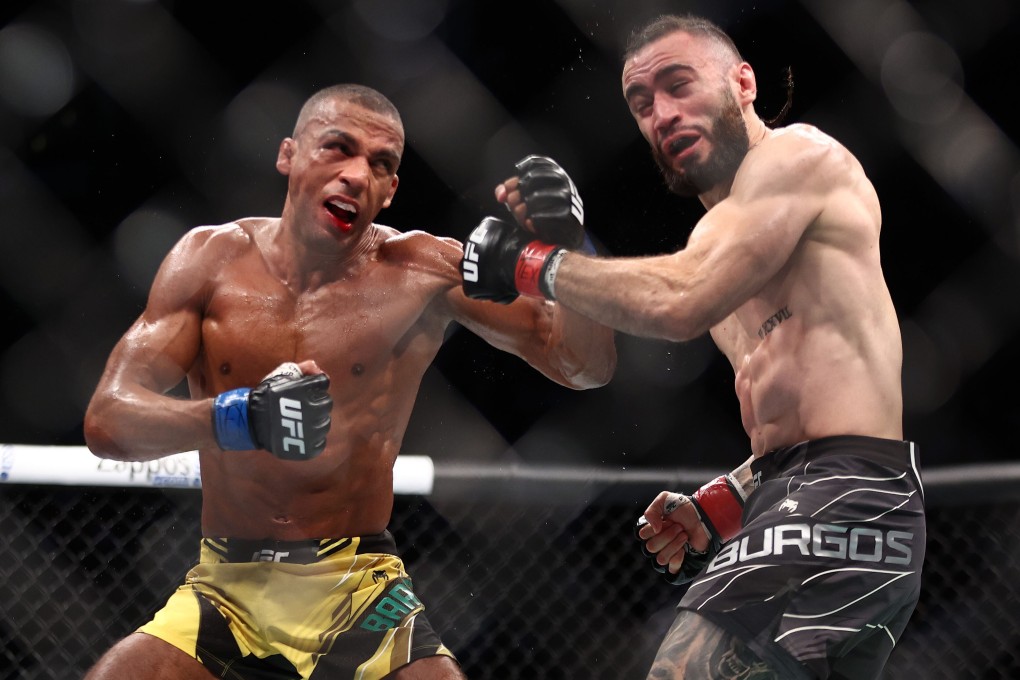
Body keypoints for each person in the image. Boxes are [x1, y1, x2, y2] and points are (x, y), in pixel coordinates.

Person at [82, 83, 617, 680]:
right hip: (226, 587)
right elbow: (108, 420)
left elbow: (584, 367)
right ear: (289, 155)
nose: (357, 175)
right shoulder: (208, 261)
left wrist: (572, 252)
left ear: (390, 191)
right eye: (338, 149)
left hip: (358, 587)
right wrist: (240, 417)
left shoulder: (424, 272)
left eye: (381, 165)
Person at [461, 13, 925, 680]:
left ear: (743, 83)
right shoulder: (725, 251)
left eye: (680, 85)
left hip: (841, 495)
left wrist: (531, 264)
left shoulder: (800, 157)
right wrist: (729, 500)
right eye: (642, 103)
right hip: (830, 505)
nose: (663, 113)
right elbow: (802, 408)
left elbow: (678, 300)